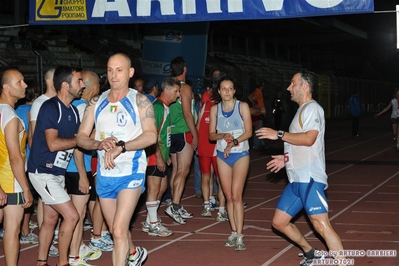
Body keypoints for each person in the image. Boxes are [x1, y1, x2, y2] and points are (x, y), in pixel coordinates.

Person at [255, 71, 346, 266]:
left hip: (310, 179)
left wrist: (278, 134)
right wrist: (286, 159)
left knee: (321, 225)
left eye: (292, 83)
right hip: (296, 179)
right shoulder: (301, 111)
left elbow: (309, 139)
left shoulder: (313, 108)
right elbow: (302, 145)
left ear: (305, 86)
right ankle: (310, 252)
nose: (289, 88)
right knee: (279, 223)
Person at [76, 53, 157, 266]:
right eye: (110, 70)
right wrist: (98, 144)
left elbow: (151, 135)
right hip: (105, 172)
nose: (114, 75)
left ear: (130, 73)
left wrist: (122, 147)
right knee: (114, 230)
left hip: (131, 170)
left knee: (120, 229)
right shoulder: (96, 101)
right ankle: (134, 253)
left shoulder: (140, 101)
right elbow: (81, 137)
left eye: (119, 70)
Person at [28, 65, 84, 266]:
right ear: (65, 85)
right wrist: (79, 140)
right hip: (42, 171)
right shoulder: (50, 107)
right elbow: (53, 144)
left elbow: (77, 146)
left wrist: (83, 174)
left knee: (50, 220)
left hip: (57, 173)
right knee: (72, 216)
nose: (83, 85)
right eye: (79, 81)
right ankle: (63, 262)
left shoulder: (75, 111)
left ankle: (41, 262)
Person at [209, 76, 252, 251]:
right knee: (228, 197)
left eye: (230, 88)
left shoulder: (242, 106)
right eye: (223, 88)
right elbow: (211, 135)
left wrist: (233, 142)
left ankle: (240, 234)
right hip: (222, 155)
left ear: (234, 91)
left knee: (236, 195)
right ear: (219, 91)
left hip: (240, 153)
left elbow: (249, 131)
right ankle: (234, 231)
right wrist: (223, 136)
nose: (227, 91)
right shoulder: (214, 109)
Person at [65, 71, 102, 265]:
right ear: (94, 88)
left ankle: (77, 248)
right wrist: (82, 175)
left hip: (71, 167)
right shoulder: (83, 109)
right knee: (77, 215)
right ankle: (74, 257)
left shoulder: (75, 106)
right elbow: (78, 143)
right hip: (77, 167)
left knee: (74, 213)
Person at [0, 68, 33, 265]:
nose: (25, 85)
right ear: (6, 87)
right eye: (19, 82)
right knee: (12, 230)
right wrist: (26, 189)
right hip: (12, 182)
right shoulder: (11, 117)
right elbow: (15, 157)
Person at [141, 77, 181, 237]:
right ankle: (152, 224)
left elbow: (165, 134)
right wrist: (158, 156)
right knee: (154, 189)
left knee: (162, 187)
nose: (178, 95)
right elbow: (152, 135)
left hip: (161, 155)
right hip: (153, 156)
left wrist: (167, 155)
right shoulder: (157, 108)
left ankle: (149, 220)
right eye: (177, 91)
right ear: (168, 90)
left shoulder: (165, 108)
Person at [28, 68, 59, 258]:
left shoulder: (56, 103)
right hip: (43, 162)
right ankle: (45, 240)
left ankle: (49, 239)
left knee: (49, 202)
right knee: (44, 200)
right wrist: (40, 160)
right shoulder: (40, 103)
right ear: (49, 81)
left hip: (55, 162)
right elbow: (33, 135)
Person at [165, 56, 198, 224]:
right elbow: (187, 113)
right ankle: (175, 205)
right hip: (184, 131)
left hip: (172, 132)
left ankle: (174, 203)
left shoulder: (170, 87)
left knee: (177, 170)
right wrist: (195, 134)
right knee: (183, 171)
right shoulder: (184, 88)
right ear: (184, 69)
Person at [15, 80, 40, 246]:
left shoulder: (16, 110)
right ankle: (24, 230)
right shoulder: (33, 111)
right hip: (29, 158)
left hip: (20, 159)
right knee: (27, 196)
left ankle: (22, 226)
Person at [248, 82, 267, 150]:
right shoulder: (258, 91)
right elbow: (253, 98)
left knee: (259, 129)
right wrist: (255, 101)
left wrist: (254, 101)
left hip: (257, 112)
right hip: (259, 113)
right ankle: (257, 144)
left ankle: (261, 143)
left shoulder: (256, 91)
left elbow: (250, 97)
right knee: (258, 130)